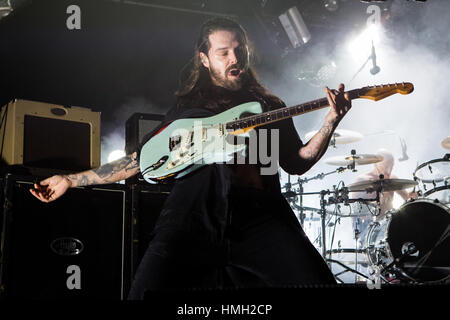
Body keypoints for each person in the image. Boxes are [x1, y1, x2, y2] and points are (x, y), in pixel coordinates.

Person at [30, 18, 352, 299]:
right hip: (191, 219)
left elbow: (297, 161)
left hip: (261, 219)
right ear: (205, 59)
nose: (234, 58)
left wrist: (330, 122)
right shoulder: (188, 111)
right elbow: (138, 161)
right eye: (223, 52)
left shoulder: (270, 106)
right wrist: (72, 180)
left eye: (239, 50)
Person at [350, 149, 417, 244]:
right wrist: (378, 201)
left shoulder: (392, 179)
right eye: (386, 166)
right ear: (376, 164)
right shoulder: (362, 181)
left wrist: (411, 198)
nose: (389, 170)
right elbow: (360, 212)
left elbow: (407, 198)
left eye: (391, 166)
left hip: (389, 225)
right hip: (368, 228)